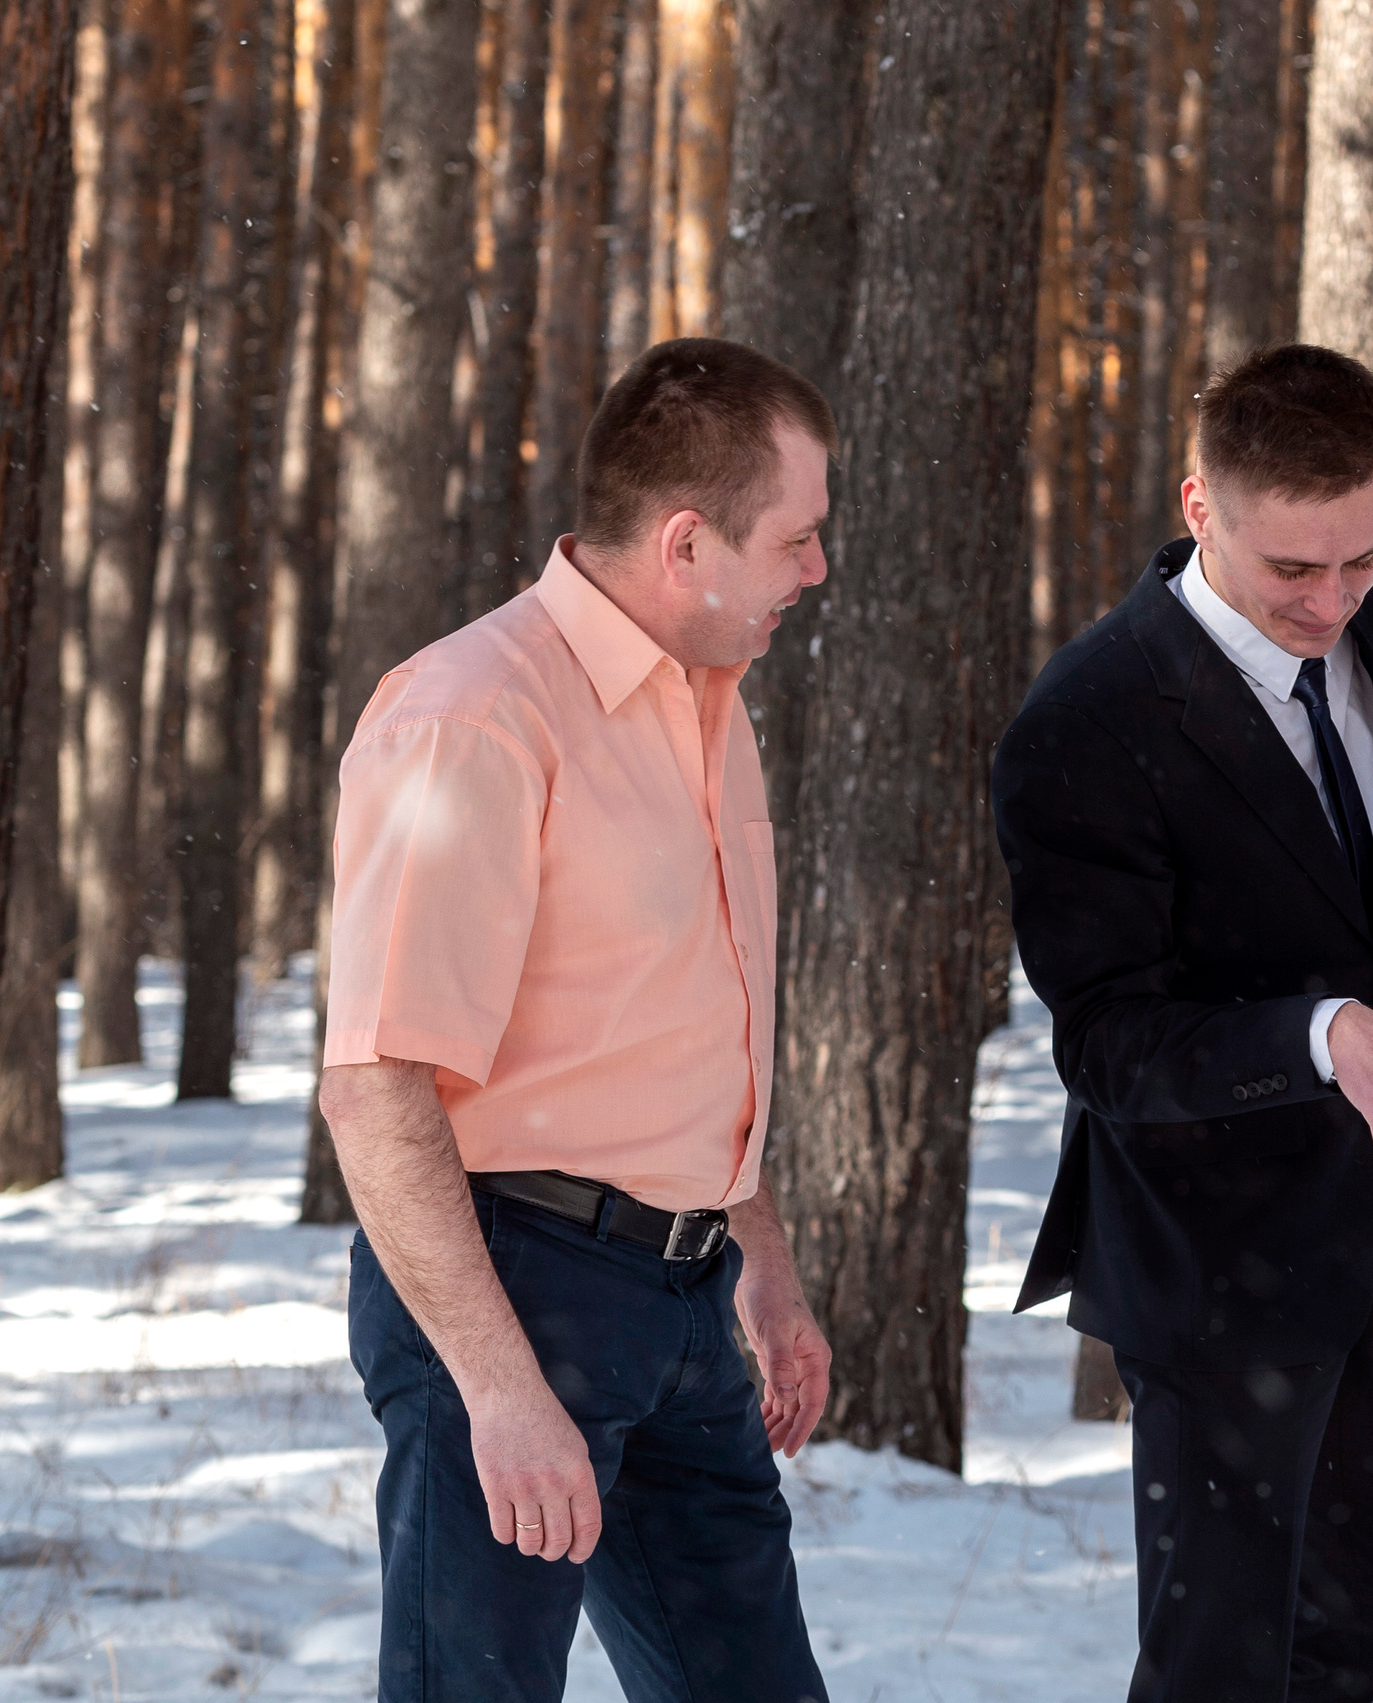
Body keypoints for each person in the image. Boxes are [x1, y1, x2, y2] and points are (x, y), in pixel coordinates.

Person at [992, 343, 1373, 1703]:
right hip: (1212, 1265)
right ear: (1198, 505)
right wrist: (1319, 1032)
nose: (1333, 602)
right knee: (1220, 1669)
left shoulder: (1362, 636)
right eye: (1295, 570)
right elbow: (1107, 1042)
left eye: (1363, 561)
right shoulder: (1088, 717)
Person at [318, 339, 838, 1703]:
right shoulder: (474, 714)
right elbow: (377, 1085)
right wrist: (496, 1386)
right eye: (797, 537)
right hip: (509, 1282)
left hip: (681, 1297)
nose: (816, 569)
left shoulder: (709, 706)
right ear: (686, 541)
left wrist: (760, 1259)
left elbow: (683, 1032)